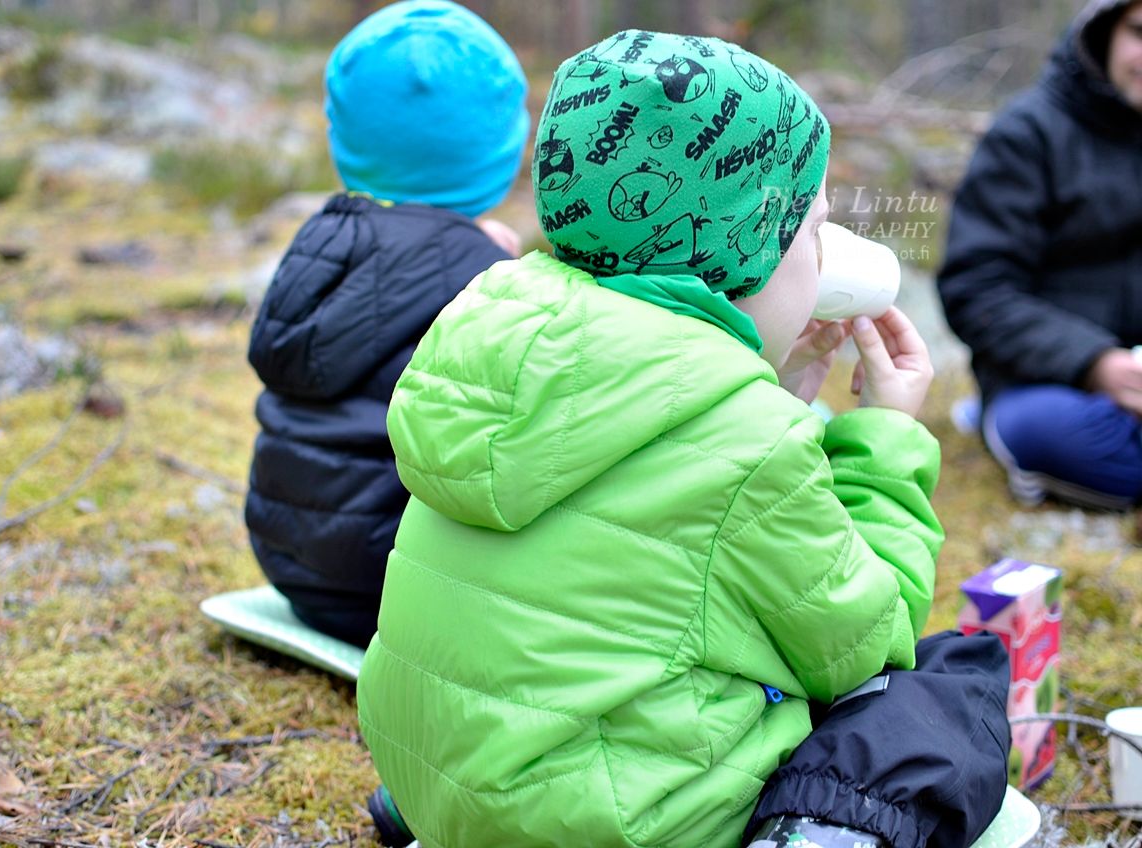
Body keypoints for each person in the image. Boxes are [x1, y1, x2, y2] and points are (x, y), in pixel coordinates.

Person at [357, 30, 1010, 848]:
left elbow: (651, 509)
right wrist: (887, 435)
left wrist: (770, 391)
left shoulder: (491, 333)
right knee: (951, 685)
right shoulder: (749, 440)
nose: (821, 257)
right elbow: (866, 640)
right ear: (748, 244)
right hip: (614, 827)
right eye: (812, 228)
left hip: (436, 779)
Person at [243, 0, 528, 648]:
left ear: (343, 138)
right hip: (401, 585)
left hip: (291, 565)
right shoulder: (492, 283)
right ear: (503, 148)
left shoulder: (320, 247)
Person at [938, 0, 1142, 509]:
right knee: (1049, 432)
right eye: (1139, 32)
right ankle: (995, 424)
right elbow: (976, 289)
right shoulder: (1028, 132)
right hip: (1049, 382)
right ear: (1104, 32)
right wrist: (1095, 363)